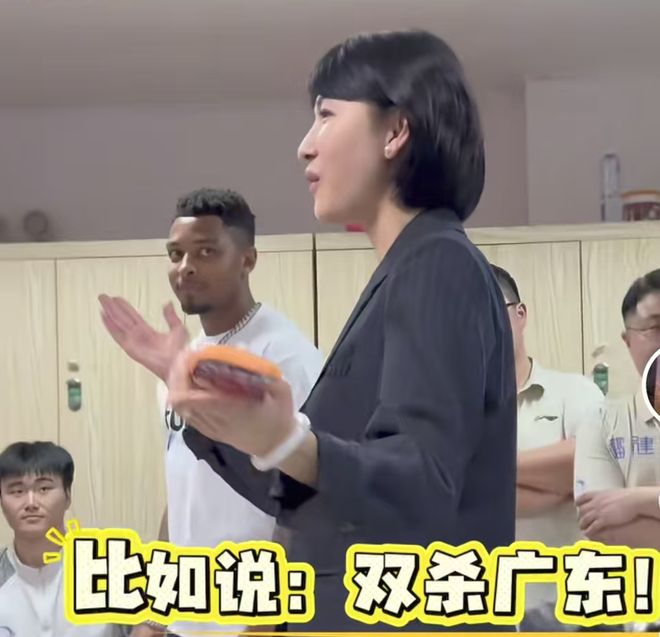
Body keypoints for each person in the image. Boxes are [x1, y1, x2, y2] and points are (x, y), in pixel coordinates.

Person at [166, 30, 517, 632]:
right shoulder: (409, 267)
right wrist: (220, 418)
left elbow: (423, 482)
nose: (305, 146)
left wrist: (292, 441)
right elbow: (315, 498)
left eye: (326, 115)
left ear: (395, 131)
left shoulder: (437, 263)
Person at [99, 187, 323, 636]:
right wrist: (156, 608)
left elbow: (307, 497)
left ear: (247, 259)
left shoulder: (284, 356)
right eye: (176, 254)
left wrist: (264, 623)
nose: (185, 267)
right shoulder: (182, 361)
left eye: (206, 251)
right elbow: (184, 487)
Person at [491, 265, 604, 631]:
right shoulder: (450, 411)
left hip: (565, 610)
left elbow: (594, 468)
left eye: (492, 309)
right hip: (480, 606)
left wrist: (480, 472)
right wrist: (555, 482)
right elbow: (445, 494)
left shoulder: (576, 392)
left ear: (520, 314)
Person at [0, 441, 130, 637]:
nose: (31, 503)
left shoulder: (109, 565)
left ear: (68, 495)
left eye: (43, 489)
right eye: (17, 491)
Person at [574, 269, 660, 550]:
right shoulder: (600, 423)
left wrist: (642, 500)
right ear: (628, 340)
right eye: (657, 327)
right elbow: (605, 530)